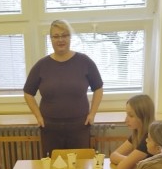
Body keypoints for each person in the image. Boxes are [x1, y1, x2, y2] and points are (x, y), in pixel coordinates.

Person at [23, 19, 104, 156]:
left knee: (80, 164)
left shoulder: (84, 62)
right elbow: (28, 93)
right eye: (56, 36)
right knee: (53, 165)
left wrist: (92, 114)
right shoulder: (41, 65)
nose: (60, 40)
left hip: (79, 126)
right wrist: (38, 116)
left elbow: (98, 88)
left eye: (64, 35)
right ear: (51, 39)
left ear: (70, 37)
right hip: (50, 128)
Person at [108, 94, 155, 169]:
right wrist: (129, 162)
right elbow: (113, 155)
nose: (126, 120)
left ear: (143, 117)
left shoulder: (149, 138)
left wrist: (128, 164)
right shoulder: (136, 134)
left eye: (131, 116)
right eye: (127, 114)